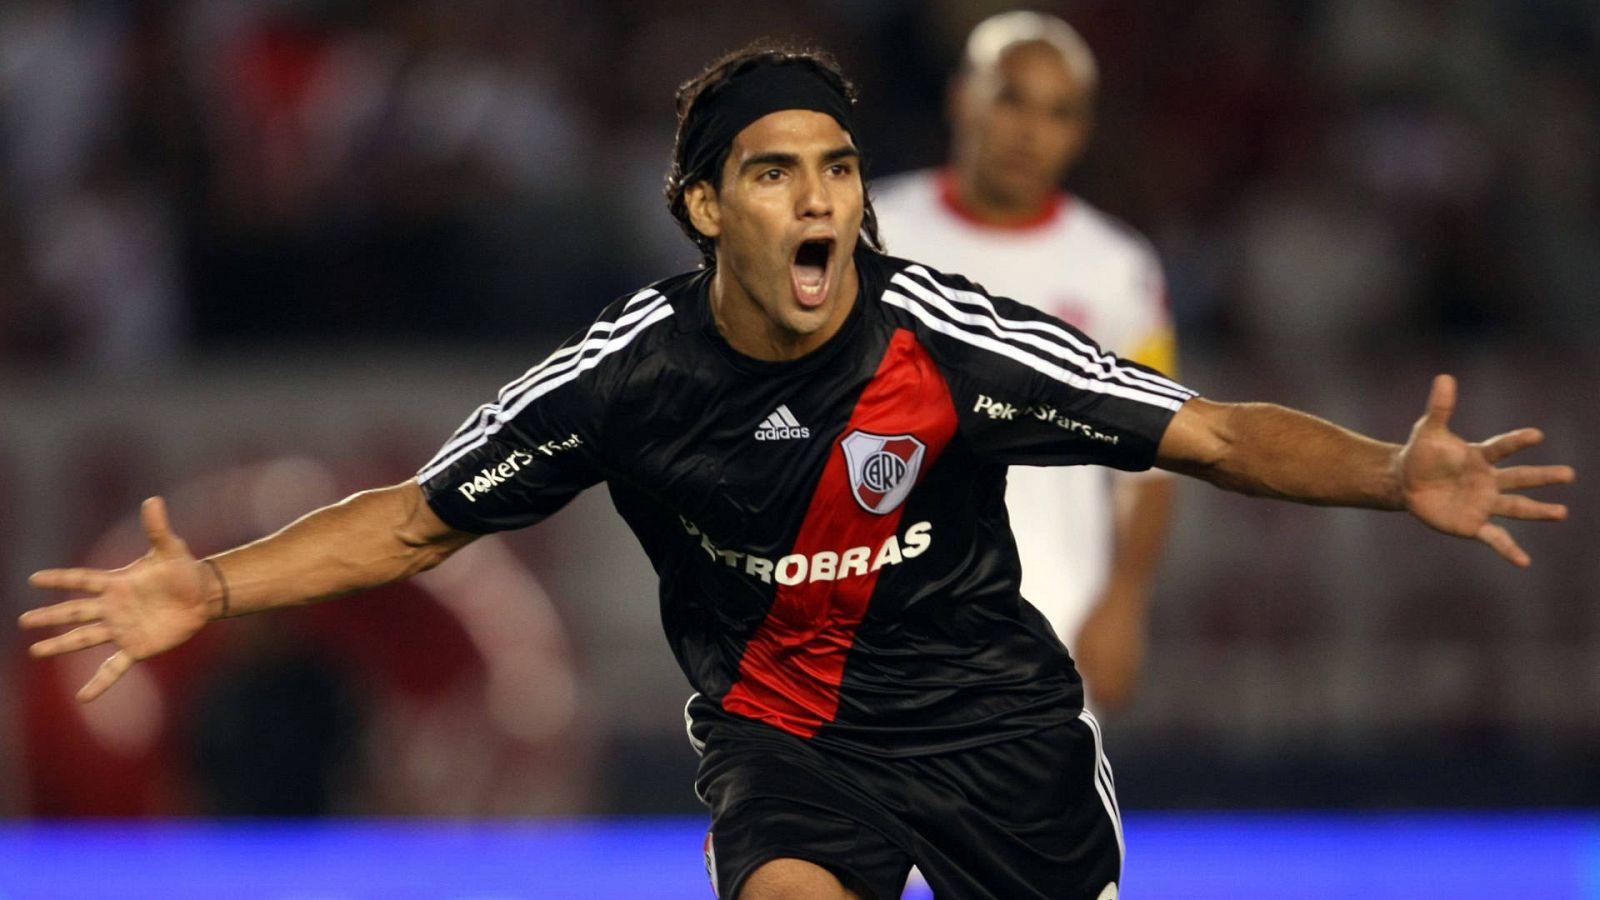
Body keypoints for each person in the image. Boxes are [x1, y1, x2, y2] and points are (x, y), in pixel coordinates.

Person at [21, 43, 1572, 900]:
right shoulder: (624, 378)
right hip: (790, 748)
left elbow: (1217, 432)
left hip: (997, 731)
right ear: (706, 209)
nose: (821, 197)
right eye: (778, 170)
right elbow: (421, 522)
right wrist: (214, 585)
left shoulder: (953, 341)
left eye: (837, 166)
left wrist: (1390, 474)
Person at [873, 12, 1174, 710]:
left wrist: (1125, 601)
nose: (1029, 130)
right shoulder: (872, 234)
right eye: (1011, 97)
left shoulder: (1117, 269)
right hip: (882, 630)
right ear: (961, 97)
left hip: (1048, 629)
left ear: (1082, 132)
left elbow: (1152, 458)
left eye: (1058, 111)